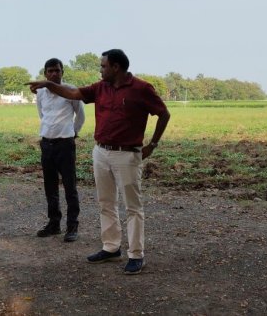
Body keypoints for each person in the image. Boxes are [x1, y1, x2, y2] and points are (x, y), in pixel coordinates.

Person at [27, 49, 171, 275]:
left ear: (116, 67)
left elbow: (164, 114)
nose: (100, 69)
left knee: (132, 207)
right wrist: (48, 85)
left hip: (128, 154)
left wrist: (152, 145)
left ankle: (136, 254)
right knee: (106, 202)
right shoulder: (100, 87)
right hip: (101, 152)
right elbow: (73, 93)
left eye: (103, 66)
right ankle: (111, 247)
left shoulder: (142, 89)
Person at [34, 58, 85, 242]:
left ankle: (72, 225)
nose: (54, 74)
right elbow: (42, 114)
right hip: (47, 144)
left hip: (65, 143)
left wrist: (74, 132)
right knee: (50, 186)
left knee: (70, 186)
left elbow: (80, 115)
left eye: (57, 70)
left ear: (62, 72)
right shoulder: (40, 93)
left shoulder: (70, 90)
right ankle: (54, 223)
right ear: (45, 73)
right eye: (50, 71)